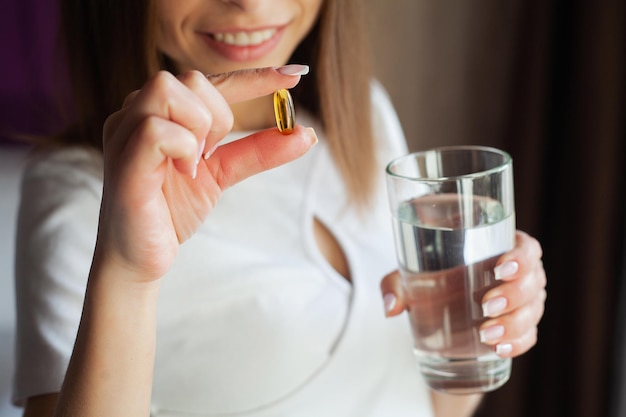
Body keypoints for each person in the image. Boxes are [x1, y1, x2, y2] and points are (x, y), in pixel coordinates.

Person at [13, 0, 547, 416]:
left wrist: (474, 339)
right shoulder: (84, 196)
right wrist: (127, 274)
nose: (249, 3)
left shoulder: (363, 117)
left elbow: (413, 403)